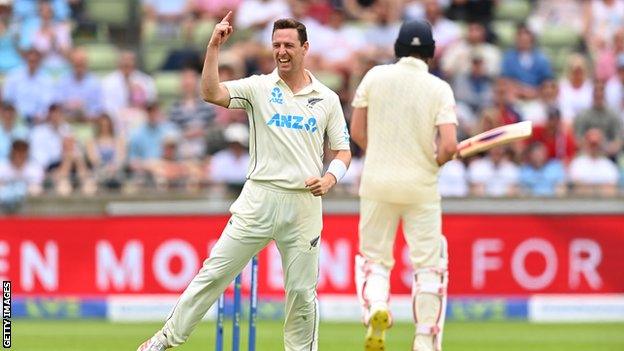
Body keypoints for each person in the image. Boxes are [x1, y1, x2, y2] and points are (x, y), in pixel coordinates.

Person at [137, 13, 351, 351]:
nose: (282, 51)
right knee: (213, 274)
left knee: (301, 293)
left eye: (289, 45)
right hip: (259, 199)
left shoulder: (326, 98)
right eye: (276, 44)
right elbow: (210, 92)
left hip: (303, 203)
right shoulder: (258, 87)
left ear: (305, 48)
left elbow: (342, 151)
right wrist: (213, 48)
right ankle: (162, 341)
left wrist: (329, 178)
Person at [350, 20, 458, 351]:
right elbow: (450, 146)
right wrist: (436, 160)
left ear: (398, 49)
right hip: (421, 187)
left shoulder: (374, 77)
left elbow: (356, 132)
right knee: (429, 266)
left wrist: (382, 155)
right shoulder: (439, 88)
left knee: (375, 260)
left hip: (377, 182)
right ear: (431, 53)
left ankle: (378, 307)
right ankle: (425, 341)